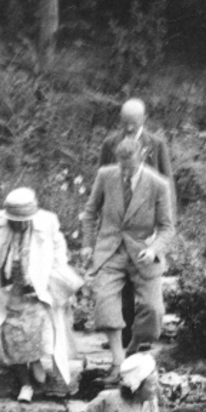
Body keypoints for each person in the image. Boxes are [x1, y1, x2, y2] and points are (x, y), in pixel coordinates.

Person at [0, 187, 82, 402]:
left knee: (38, 329)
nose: (21, 225)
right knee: (11, 334)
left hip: (37, 289)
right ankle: (25, 384)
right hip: (8, 290)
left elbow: (59, 247)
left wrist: (56, 273)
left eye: (25, 221)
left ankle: (36, 360)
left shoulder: (48, 222)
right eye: (16, 221)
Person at [81, 137, 174, 376]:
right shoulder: (105, 175)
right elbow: (90, 213)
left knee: (153, 310)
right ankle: (117, 359)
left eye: (130, 168)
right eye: (122, 167)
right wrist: (88, 245)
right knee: (105, 301)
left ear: (141, 158)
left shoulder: (158, 184)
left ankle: (134, 344)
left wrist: (154, 250)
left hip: (142, 252)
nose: (125, 172)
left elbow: (167, 228)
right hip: (111, 250)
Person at [99, 97, 175, 215]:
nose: (129, 128)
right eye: (125, 122)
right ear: (120, 118)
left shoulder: (157, 145)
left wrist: (169, 220)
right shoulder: (109, 144)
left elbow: (168, 186)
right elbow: (100, 184)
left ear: (144, 119)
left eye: (134, 123)